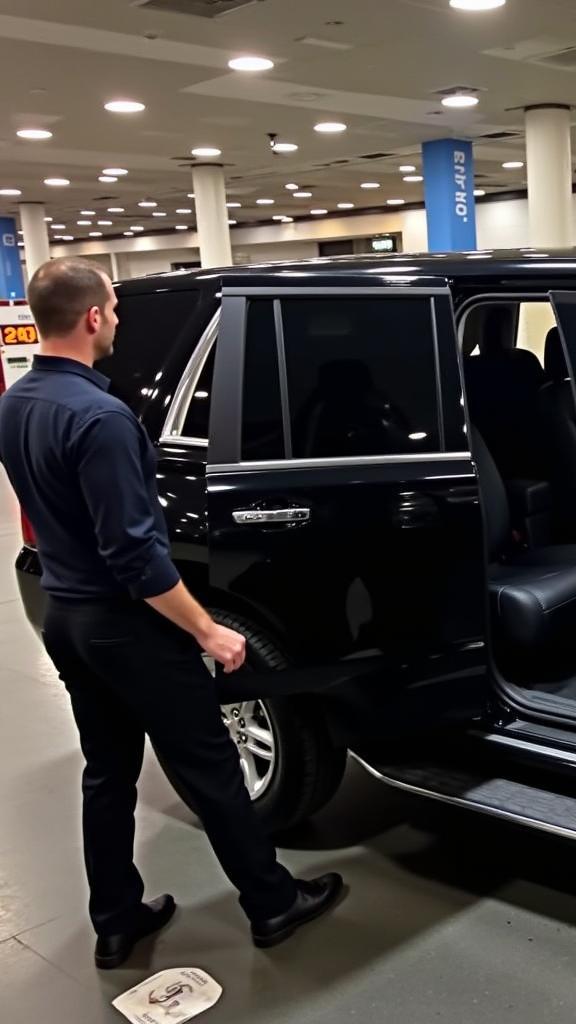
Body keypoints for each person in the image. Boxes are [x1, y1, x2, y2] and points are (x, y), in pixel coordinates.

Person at [0, 258, 342, 969]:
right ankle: (273, 904)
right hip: (126, 625)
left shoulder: (18, 401)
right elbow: (136, 558)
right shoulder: (101, 417)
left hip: (67, 616)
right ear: (93, 317)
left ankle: (116, 921)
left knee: (107, 772)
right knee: (210, 766)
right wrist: (208, 630)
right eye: (115, 309)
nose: (118, 320)